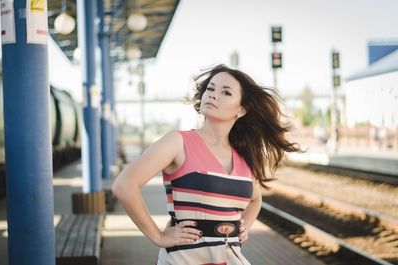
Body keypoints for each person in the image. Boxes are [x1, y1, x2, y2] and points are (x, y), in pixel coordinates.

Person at [112, 64, 301, 264]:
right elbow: (124, 185)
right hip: (184, 259)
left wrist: (241, 226)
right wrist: (159, 237)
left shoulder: (244, 156)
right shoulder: (178, 142)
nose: (213, 95)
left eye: (225, 92)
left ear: (242, 109)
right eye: (210, 89)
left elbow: (255, 200)